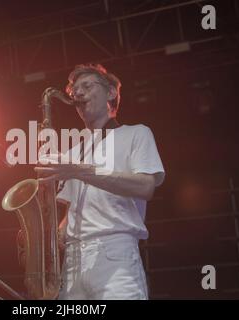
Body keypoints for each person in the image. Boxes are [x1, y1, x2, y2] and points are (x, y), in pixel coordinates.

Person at [36, 64, 165, 300]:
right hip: (73, 263)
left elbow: (146, 186)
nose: (78, 93)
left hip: (114, 254)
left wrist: (79, 170)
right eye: (75, 90)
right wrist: (50, 241)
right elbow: (73, 213)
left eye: (87, 86)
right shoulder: (74, 152)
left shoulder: (136, 133)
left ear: (111, 93)